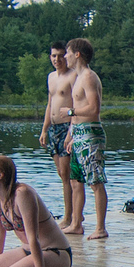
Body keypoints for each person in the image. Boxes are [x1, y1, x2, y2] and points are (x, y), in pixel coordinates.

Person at [61, 37, 110, 239]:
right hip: (80, 134)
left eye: (68, 52)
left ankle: (100, 228)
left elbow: (94, 108)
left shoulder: (89, 77)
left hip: (91, 134)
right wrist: (71, 134)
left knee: (95, 181)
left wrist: (70, 111)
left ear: (77, 54)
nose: (65, 56)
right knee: (75, 180)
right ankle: (76, 223)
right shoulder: (78, 77)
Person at [36, 41, 84, 234]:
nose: (56, 59)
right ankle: (73, 214)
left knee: (67, 174)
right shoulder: (50, 77)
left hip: (67, 127)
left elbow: (77, 104)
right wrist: (44, 129)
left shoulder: (73, 76)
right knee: (61, 173)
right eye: (53, 55)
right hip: (54, 128)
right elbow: (50, 104)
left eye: (60, 55)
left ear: (67, 56)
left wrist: (72, 131)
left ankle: (69, 216)